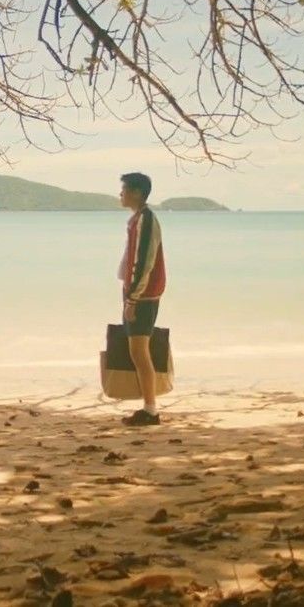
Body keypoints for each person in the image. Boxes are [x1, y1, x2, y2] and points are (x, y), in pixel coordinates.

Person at [117, 172, 166, 426]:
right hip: (139, 293)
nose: (121, 194)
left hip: (143, 295)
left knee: (139, 351)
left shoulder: (146, 219)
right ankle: (148, 406)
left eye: (124, 189)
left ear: (136, 193)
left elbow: (144, 261)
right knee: (138, 351)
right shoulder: (137, 219)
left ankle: (151, 410)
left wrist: (133, 298)